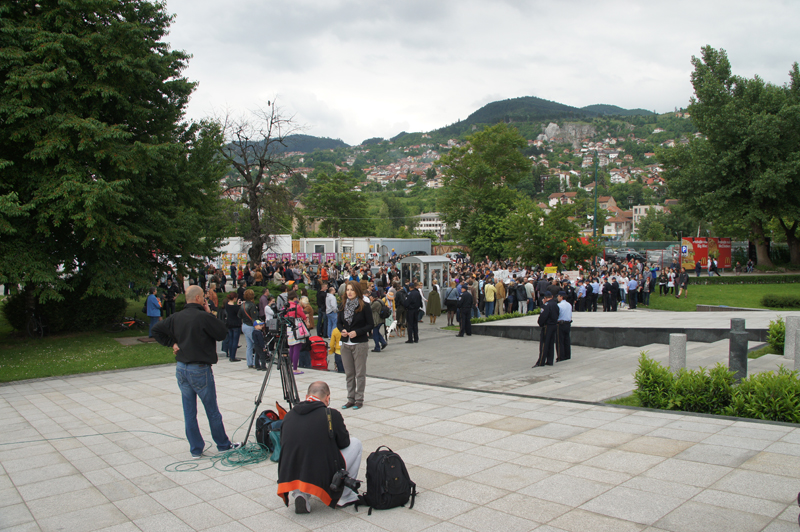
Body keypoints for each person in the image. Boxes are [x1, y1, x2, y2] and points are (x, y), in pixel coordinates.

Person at [151, 285, 240, 458]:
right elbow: (222, 332)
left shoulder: (176, 317)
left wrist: (172, 343)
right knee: (211, 409)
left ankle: (196, 448)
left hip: (182, 367)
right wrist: (208, 312)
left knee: (189, 410)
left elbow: (156, 330)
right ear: (199, 299)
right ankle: (223, 444)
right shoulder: (202, 317)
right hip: (199, 368)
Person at [338, 281, 374, 409]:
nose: (349, 292)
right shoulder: (342, 305)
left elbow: (370, 324)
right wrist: (341, 330)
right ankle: (350, 398)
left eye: (352, 290)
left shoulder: (364, 306)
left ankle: (359, 399)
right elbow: (338, 323)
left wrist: (357, 332)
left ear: (357, 291)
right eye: (347, 290)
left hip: (359, 343)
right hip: (345, 343)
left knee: (359, 373)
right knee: (349, 373)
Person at [285, 290, 311, 375]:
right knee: (297, 347)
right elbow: (303, 316)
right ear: (295, 297)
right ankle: (295, 368)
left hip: (288, 327)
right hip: (297, 326)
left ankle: (290, 366)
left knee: (291, 347)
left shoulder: (285, 306)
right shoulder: (297, 306)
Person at [533, 292, 558, 367]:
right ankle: (550, 360)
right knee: (551, 343)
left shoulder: (546, 305)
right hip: (554, 325)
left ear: (546, 298)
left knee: (544, 344)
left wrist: (540, 323)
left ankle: (541, 361)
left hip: (547, 326)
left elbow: (543, 316)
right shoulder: (555, 304)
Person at [238, 289, 258, 369]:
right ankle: (256, 362)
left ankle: (249, 362)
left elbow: (239, 315)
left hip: (244, 325)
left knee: (249, 345)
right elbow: (254, 318)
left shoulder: (243, 305)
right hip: (250, 326)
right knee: (256, 344)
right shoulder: (252, 305)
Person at [556, 291, 572, 362]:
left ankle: (561, 356)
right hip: (568, 323)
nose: (557, 298)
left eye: (558, 296)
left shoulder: (559, 305)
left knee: (560, 341)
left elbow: (557, 315)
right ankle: (567, 355)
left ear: (561, 297)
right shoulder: (569, 304)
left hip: (560, 324)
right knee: (567, 340)